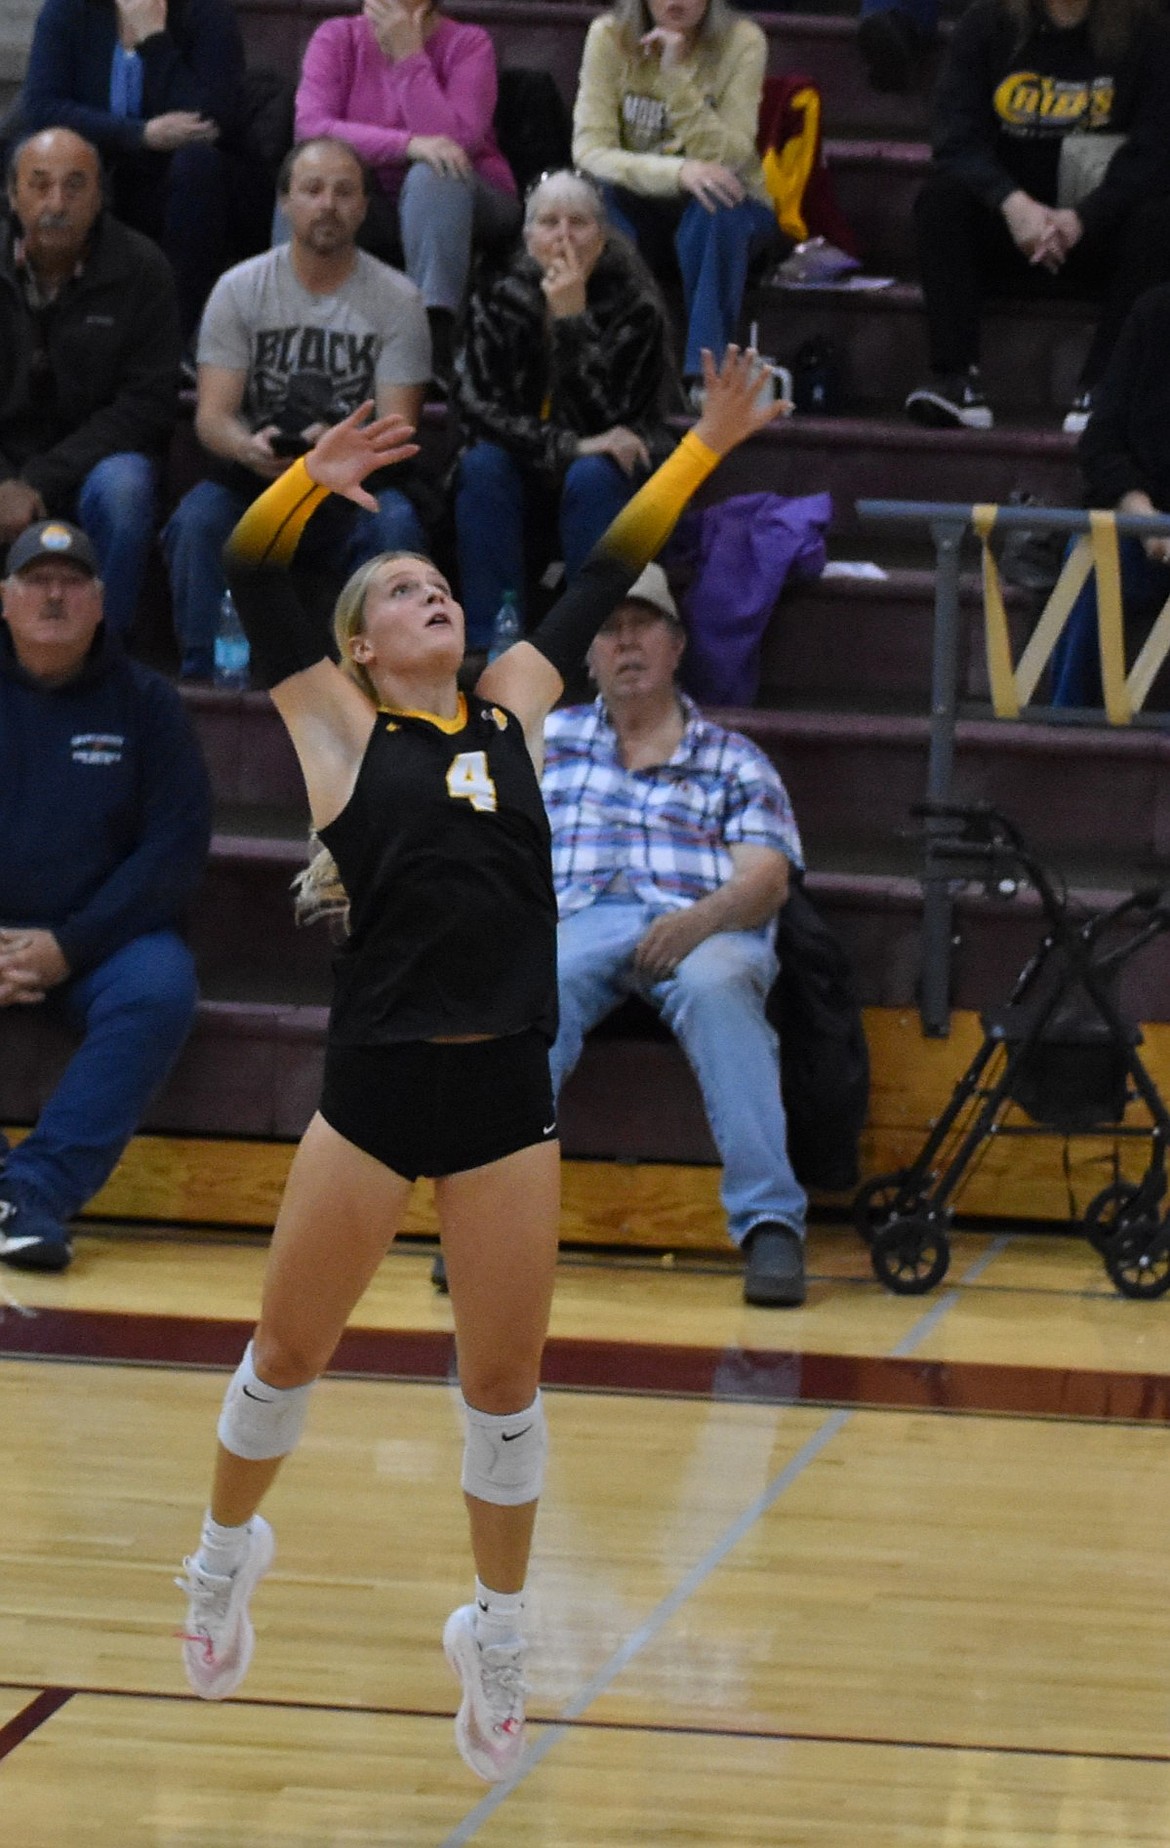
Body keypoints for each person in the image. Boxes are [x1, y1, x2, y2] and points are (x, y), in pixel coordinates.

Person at [173, 347, 779, 1783]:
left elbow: (598, 564)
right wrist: (298, 490)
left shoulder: (513, 699)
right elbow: (255, 582)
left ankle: (494, 1640)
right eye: (395, 589)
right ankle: (218, 1557)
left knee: (504, 1388)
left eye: (436, 582)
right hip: (376, 1086)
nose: (425, 590)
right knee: (286, 1356)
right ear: (364, 645)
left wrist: (702, 446)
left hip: (508, 1091)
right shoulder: (334, 727)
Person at [542, 562, 807, 1308]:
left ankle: (770, 1224)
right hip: (574, 916)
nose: (625, 645)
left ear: (676, 645)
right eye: (608, 630)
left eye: (642, 627)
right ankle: (493, 1215)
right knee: (531, 983)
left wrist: (697, 923)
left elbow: (766, 880)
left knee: (718, 983)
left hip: (703, 918)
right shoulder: (543, 743)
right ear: (589, 652)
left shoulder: (732, 758)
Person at [0, 519, 211, 1273]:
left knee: (160, 987)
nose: (53, 595)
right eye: (35, 579)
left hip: (98, 946)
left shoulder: (148, 705)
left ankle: (34, 1192)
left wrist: (69, 947)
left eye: (71, 581)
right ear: (4, 598)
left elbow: (175, 850)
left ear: (100, 601)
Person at [162, 136, 431, 682]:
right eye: (312, 190)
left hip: (357, 487)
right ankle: (205, 679)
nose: (327, 204)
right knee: (198, 519)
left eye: (343, 192)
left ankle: (387, 683)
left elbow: (398, 426)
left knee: (397, 523)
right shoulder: (238, 290)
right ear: (285, 202)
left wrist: (337, 451)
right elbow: (213, 417)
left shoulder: (399, 300)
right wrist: (247, 447)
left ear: (362, 207)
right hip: (258, 482)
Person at [904, 0, 1170, 435]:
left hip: (1098, 233)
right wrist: (1012, 203)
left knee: (1161, 220)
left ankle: (1103, 388)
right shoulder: (987, 23)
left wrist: (1083, 218)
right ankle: (956, 379)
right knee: (941, 200)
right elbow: (955, 136)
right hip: (1013, 231)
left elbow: (1155, 153)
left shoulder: (1147, 34)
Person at [453, 169, 678, 651]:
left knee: (595, 473)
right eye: (549, 222)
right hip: (525, 468)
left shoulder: (635, 306)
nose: (563, 237)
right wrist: (567, 446)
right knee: (482, 465)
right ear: (528, 235)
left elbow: (619, 419)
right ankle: (494, 641)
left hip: (606, 476)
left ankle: (590, 640)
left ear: (602, 235)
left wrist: (573, 322)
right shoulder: (497, 295)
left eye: (578, 223)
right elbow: (476, 409)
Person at [0, 127, 181, 638]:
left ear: (100, 196)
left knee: (125, 489)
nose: (56, 202)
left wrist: (38, 481)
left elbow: (146, 406)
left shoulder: (143, 269)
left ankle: (104, 659)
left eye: (75, 185)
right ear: (13, 195)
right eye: (39, 185)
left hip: (95, 461)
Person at [293, 0, 520, 380]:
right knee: (311, 182)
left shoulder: (468, 44)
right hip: (372, 197)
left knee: (433, 175)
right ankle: (293, 330)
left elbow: (454, 144)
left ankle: (432, 342)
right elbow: (311, 129)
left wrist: (409, 58)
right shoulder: (337, 37)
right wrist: (407, 145)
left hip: (468, 193)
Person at [20, 0, 266, 340]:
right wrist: (140, 134)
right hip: (104, 166)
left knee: (198, 163)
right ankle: (40, 329)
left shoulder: (207, 13)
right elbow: (42, 106)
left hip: (186, 181)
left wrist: (155, 40)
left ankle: (174, 340)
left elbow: (209, 118)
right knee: (39, 159)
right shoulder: (68, 9)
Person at [572, 0, 776, 392]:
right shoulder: (609, 36)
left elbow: (730, 156)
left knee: (717, 207)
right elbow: (590, 153)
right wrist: (679, 173)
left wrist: (675, 78)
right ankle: (614, 364)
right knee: (598, 202)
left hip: (730, 205)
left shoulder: (742, 41)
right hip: (643, 202)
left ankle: (706, 374)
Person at [1050, 281, 1170, 705]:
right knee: (1098, 555)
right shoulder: (1155, 313)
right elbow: (1099, 444)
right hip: (1143, 524)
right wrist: (1145, 519)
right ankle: (1065, 744)